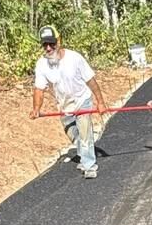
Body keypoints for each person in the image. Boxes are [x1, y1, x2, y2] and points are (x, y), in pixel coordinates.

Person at [30, 25, 106, 179]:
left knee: (85, 134)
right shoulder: (42, 64)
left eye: (52, 44)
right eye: (45, 45)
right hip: (64, 105)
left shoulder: (74, 58)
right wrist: (36, 108)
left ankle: (89, 165)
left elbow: (91, 80)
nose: (49, 48)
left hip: (82, 100)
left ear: (59, 41)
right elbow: (39, 89)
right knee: (72, 133)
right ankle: (85, 151)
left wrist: (100, 102)